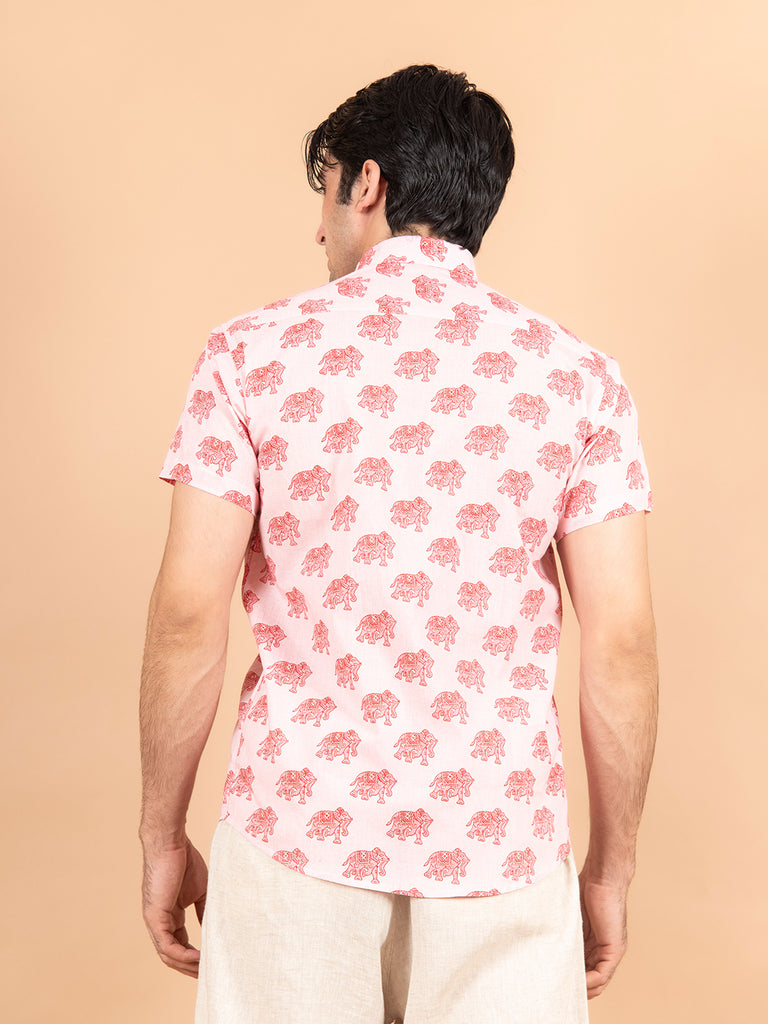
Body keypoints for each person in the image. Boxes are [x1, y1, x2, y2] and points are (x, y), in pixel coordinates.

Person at [139, 63, 658, 1024]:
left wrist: (162, 834)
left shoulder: (248, 356)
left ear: (367, 184)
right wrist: (610, 869)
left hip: (296, 831)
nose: (320, 229)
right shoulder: (580, 380)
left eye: (326, 190)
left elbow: (186, 613)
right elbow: (620, 641)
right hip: (501, 842)